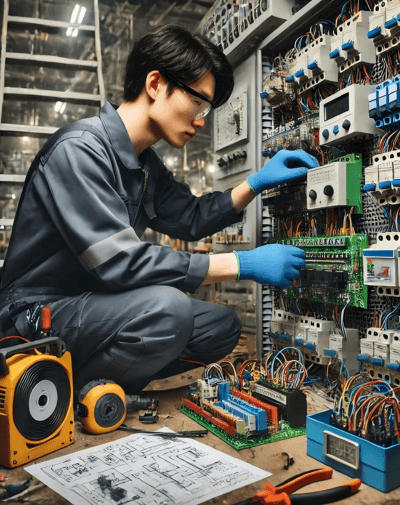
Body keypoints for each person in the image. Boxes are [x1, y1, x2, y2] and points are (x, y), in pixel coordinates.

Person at [0, 25, 318, 395]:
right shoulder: (79, 150)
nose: (201, 120)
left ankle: (109, 383)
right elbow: (119, 262)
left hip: (96, 304)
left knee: (221, 325)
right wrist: (242, 264)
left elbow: (192, 217)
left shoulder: (144, 164)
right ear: (155, 84)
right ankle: (59, 394)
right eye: (198, 103)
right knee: (169, 310)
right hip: (37, 314)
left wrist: (255, 183)